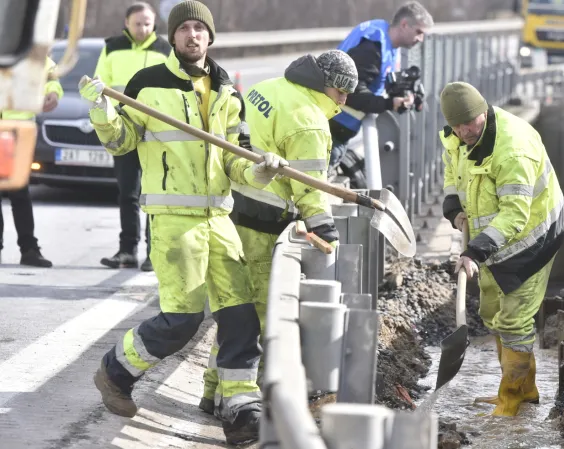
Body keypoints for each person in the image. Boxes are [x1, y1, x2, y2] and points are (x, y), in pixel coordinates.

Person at [79, 1, 287, 443]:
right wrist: (101, 109)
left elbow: (236, 161)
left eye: (200, 29)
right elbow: (121, 143)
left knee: (241, 318)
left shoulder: (227, 89)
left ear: (210, 38)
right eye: (185, 29)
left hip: (220, 219)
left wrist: (260, 171)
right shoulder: (147, 83)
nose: (193, 35)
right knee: (181, 321)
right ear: (172, 37)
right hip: (173, 220)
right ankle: (115, 372)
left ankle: (239, 406)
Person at [198, 49, 358, 416]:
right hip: (263, 222)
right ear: (326, 85)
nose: (344, 101)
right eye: (341, 92)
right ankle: (248, 404)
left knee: (234, 311)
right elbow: (312, 189)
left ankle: (213, 393)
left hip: (231, 208)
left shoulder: (269, 87)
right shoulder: (310, 122)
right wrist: (326, 229)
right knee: (261, 319)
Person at [438, 81, 564, 417]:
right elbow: (453, 169)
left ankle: (510, 399)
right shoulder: (456, 137)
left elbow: (515, 213)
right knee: (493, 312)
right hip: (492, 238)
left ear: (485, 111)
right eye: (459, 126)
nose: (466, 131)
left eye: (472, 123)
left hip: (533, 237)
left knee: (514, 320)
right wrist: (453, 206)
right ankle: (527, 390)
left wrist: (475, 251)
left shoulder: (513, 149)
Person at [94, 1, 171, 272]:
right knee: (127, 193)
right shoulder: (112, 47)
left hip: (154, 132)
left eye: (147, 23)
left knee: (152, 194)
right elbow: (98, 85)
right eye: (137, 23)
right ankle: (127, 250)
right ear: (127, 23)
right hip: (123, 129)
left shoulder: (165, 50)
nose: (142, 28)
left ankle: (154, 253)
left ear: (154, 24)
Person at [328, 1, 434, 186]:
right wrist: (390, 104)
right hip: (330, 129)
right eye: (419, 32)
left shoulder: (386, 43)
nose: (421, 39)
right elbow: (352, 93)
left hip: (336, 128)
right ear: (404, 25)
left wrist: (401, 95)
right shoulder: (373, 46)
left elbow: (375, 82)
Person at [0, 56, 63, 268]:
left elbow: (51, 75)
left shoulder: (27, 47)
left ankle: (29, 249)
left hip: (18, 129)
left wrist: (53, 91)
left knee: (20, 191)